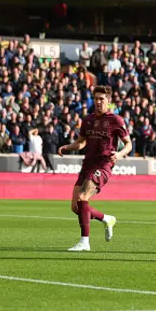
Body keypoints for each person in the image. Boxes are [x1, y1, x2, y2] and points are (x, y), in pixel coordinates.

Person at [58, 85, 132, 252]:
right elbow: (81, 143)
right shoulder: (88, 120)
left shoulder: (116, 121)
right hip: (88, 164)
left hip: (103, 164)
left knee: (83, 196)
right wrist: (68, 147)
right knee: (76, 207)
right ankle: (106, 218)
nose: (98, 102)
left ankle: (85, 242)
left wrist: (119, 155)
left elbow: (129, 144)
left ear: (108, 101)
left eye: (102, 99)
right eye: (96, 99)